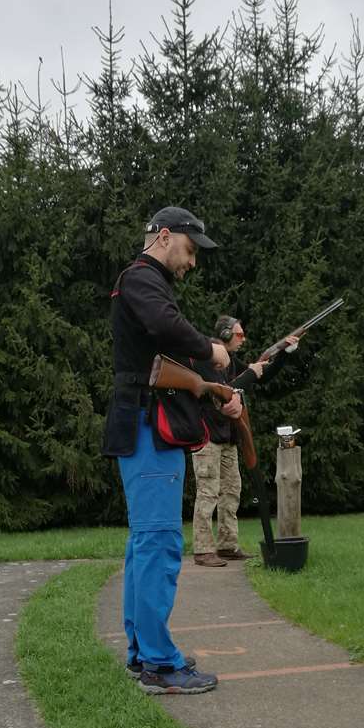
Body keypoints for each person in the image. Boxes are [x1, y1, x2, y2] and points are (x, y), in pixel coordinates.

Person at [102, 206, 242, 695]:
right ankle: (160, 666)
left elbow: (168, 361)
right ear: (163, 237)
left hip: (145, 425)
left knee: (145, 543)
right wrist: (211, 348)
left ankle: (143, 653)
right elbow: (169, 330)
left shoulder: (147, 284)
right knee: (158, 542)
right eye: (189, 249)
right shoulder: (142, 278)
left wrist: (217, 391)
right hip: (148, 427)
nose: (192, 262)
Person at [191, 316, 298, 567]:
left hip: (228, 436)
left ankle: (227, 545)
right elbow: (223, 391)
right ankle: (203, 550)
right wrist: (250, 373)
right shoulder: (207, 358)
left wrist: (283, 354)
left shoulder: (230, 360)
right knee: (208, 493)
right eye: (239, 335)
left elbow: (263, 377)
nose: (243, 339)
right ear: (226, 334)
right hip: (207, 435)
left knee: (231, 492)